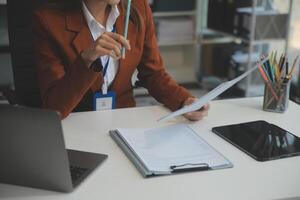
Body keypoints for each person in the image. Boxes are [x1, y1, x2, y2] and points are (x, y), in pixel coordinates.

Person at [33, 0, 209, 120]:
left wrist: (184, 101)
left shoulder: (138, 9)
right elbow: (53, 108)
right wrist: (87, 59)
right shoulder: (48, 21)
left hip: (122, 123)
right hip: (76, 125)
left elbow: (153, 74)